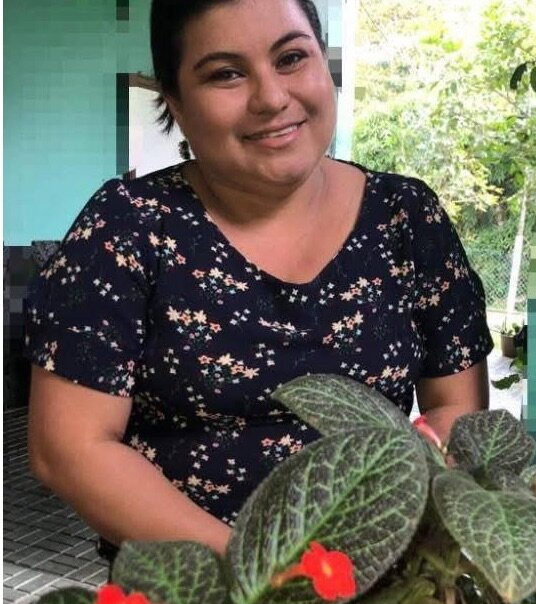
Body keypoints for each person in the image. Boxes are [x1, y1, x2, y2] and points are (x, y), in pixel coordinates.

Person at [24, 0, 493, 560]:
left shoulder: (406, 217)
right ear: (175, 102)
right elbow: (69, 449)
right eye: (226, 73)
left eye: (291, 58)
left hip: (377, 578)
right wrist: (265, 574)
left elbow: (458, 413)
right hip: (194, 589)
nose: (271, 98)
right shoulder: (127, 227)